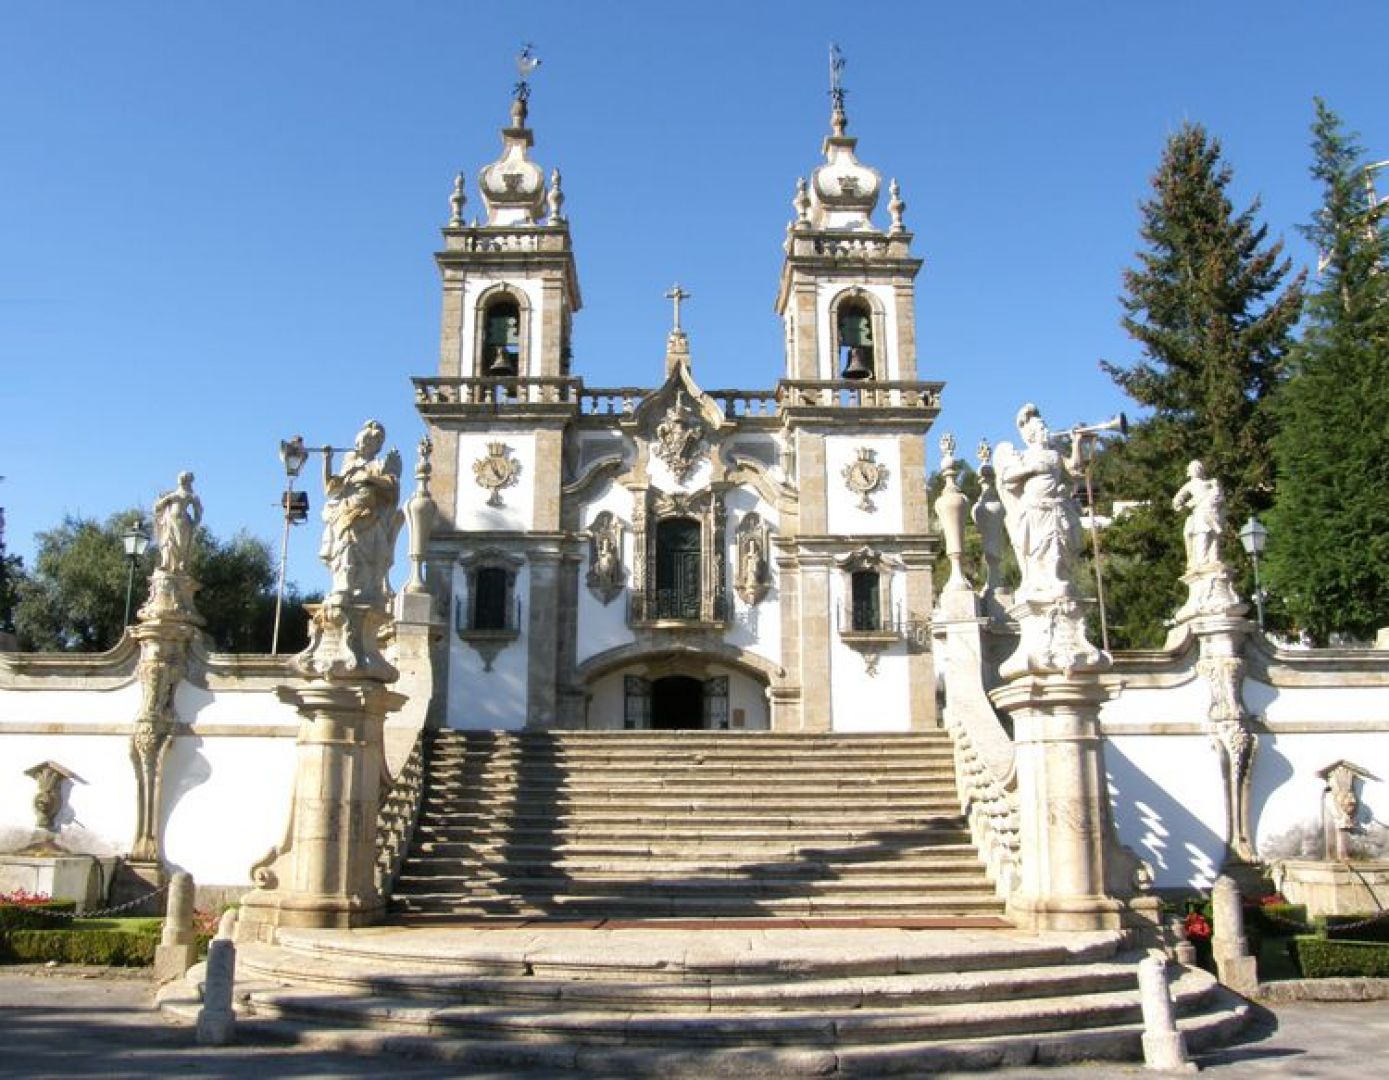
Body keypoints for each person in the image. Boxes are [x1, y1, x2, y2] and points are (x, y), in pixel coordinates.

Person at [998, 404, 1084, 601]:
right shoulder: (1025, 455)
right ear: (1031, 435)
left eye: (1045, 427)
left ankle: (1055, 577)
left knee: (1058, 543)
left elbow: (1076, 469)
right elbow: (1007, 478)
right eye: (1041, 429)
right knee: (1039, 547)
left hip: (1055, 506)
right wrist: (1032, 468)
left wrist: (1076, 442)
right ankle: (1042, 580)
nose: (1046, 431)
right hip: (1035, 508)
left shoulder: (1055, 453)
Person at [319, 421, 402, 607]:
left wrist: (369, 478)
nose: (365, 445)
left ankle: (364, 591)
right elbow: (329, 488)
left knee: (368, 559)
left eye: (371, 442)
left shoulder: (378, 465)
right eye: (363, 441)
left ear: (377, 446)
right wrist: (327, 460)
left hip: (370, 517)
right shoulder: (349, 463)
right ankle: (343, 588)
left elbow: (392, 485)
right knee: (346, 548)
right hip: (347, 515)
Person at [1171, 460, 1224, 571]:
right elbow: (1177, 499)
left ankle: (1214, 559)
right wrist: (1184, 506)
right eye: (1193, 468)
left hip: (1212, 512)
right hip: (1200, 512)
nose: (1196, 470)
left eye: (1198, 468)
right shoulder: (1189, 485)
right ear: (1190, 472)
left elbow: (1220, 497)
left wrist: (1216, 486)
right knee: (1202, 534)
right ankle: (1202, 561)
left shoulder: (1211, 482)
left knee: (1214, 535)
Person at [152, 472, 202, 575]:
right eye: (180, 477)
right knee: (167, 541)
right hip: (169, 520)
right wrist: (167, 498)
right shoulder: (172, 494)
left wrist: (195, 523)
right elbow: (157, 507)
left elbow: (198, 511)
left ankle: (179, 565)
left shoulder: (191, 495)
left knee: (181, 544)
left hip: (183, 522)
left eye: (183, 478)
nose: (180, 479)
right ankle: (166, 563)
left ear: (187, 480)